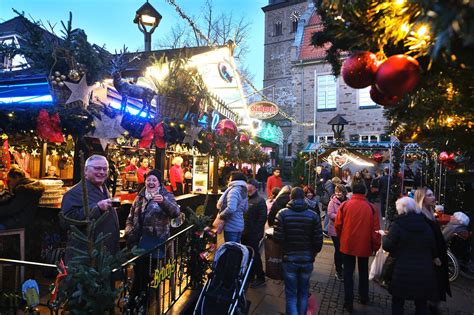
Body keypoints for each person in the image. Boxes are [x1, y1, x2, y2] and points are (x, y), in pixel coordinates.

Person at [124, 169, 180, 306]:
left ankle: (137, 300)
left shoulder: (166, 195)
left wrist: (163, 202)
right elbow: (131, 216)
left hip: (155, 240)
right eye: (148, 179)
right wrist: (129, 231)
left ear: (159, 182)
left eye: (154, 180)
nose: (150, 182)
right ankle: (140, 298)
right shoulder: (140, 196)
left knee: (148, 271)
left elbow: (176, 212)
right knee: (139, 270)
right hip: (138, 239)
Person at [382, 197, 437, 315]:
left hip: (402, 271)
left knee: (398, 303)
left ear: (401, 210)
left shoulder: (398, 225)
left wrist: (384, 237)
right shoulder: (426, 224)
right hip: (423, 271)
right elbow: (432, 245)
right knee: (421, 303)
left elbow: (387, 246)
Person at [273, 187, 323, 315]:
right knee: (303, 292)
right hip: (307, 259)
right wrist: (313, 253)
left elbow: (278, 239)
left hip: (289, 259)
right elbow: (318, 240)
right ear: (304, 197)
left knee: (291, 294)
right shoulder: (313, 215)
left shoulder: (282, 214)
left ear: (291, 197)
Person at [61, 155, 119, 262]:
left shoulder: (103, 187)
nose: (102, 172)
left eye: (105, 169)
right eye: (97, 168)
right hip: (87, 257)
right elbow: (66, 221)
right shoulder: (74, 193)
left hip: (105, 255)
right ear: (86, 170)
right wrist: (97, 208)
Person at [335, 181, 381, 312]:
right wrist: (376, 246)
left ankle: (348, 302)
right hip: (364, 244)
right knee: (363, 271)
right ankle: (363, 296)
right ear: (365, 192)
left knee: (348, 273)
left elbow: (338, 225)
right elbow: (376, 230)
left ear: (352, 192)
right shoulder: (372, 208)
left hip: (348, 243)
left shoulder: (345, 205)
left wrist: (341, 237)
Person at [415, 187, 451, 313]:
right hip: (430, 258)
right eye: (429, 195)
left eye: (432, 194)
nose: (433, 197)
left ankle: (431, 305)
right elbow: (425, 239)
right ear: (422, 198)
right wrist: (434, 256)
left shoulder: (429, 212)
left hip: (436, 256)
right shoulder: (420, 215)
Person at [242, 179, 267, 288]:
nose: (249, 189)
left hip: (253, 233)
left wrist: (256, 232)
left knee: (254, 255)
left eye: (251, 187)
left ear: (255, 188)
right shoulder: (245, 199)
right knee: (247, 254)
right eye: (248, 186)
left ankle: (260, 277)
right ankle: (250, 275)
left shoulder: (259, 200)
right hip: (244, 232)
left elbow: (262, 219)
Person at [214, 171, 248, 243]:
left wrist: (221, 215)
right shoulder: (244, 190)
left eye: (230, 178)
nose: (228, 180)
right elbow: (245, 208)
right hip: (240, 224)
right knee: (236, 248)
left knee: (230, 249)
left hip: (231, 226)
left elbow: (231, 209)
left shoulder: (234, 191)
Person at [327, 184, 347, 281]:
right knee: (338, 249)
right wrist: (341, 217)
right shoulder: (332, 202)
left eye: (340, 191)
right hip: (335, 230)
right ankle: (338, 270)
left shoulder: (348, 201)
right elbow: (330, 214)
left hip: (345, 230)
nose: (338, 193)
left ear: (344, 192)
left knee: (344, 249)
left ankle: (342, 266)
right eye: (336, 191)